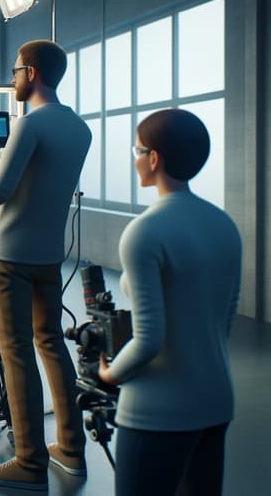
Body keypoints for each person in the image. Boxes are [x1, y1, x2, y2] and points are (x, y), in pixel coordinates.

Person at [0, 39, 90, 491]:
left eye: (14, 72)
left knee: (17, 353)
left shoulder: (29, 126)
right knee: (51, 345)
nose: (11, 80)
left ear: (32, 72)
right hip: (49, 253)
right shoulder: (80, 128)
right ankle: (70, 448)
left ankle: (29, 461)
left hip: (8, 255)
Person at [98, 109, 240, 496]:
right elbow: (224, 319)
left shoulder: (144, 231)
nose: (135, 158)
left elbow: (148, 340)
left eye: (137, 150)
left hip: (156, 410)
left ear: (154, 158)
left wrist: (110, 375)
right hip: (215, 400)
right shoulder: (223, 224)